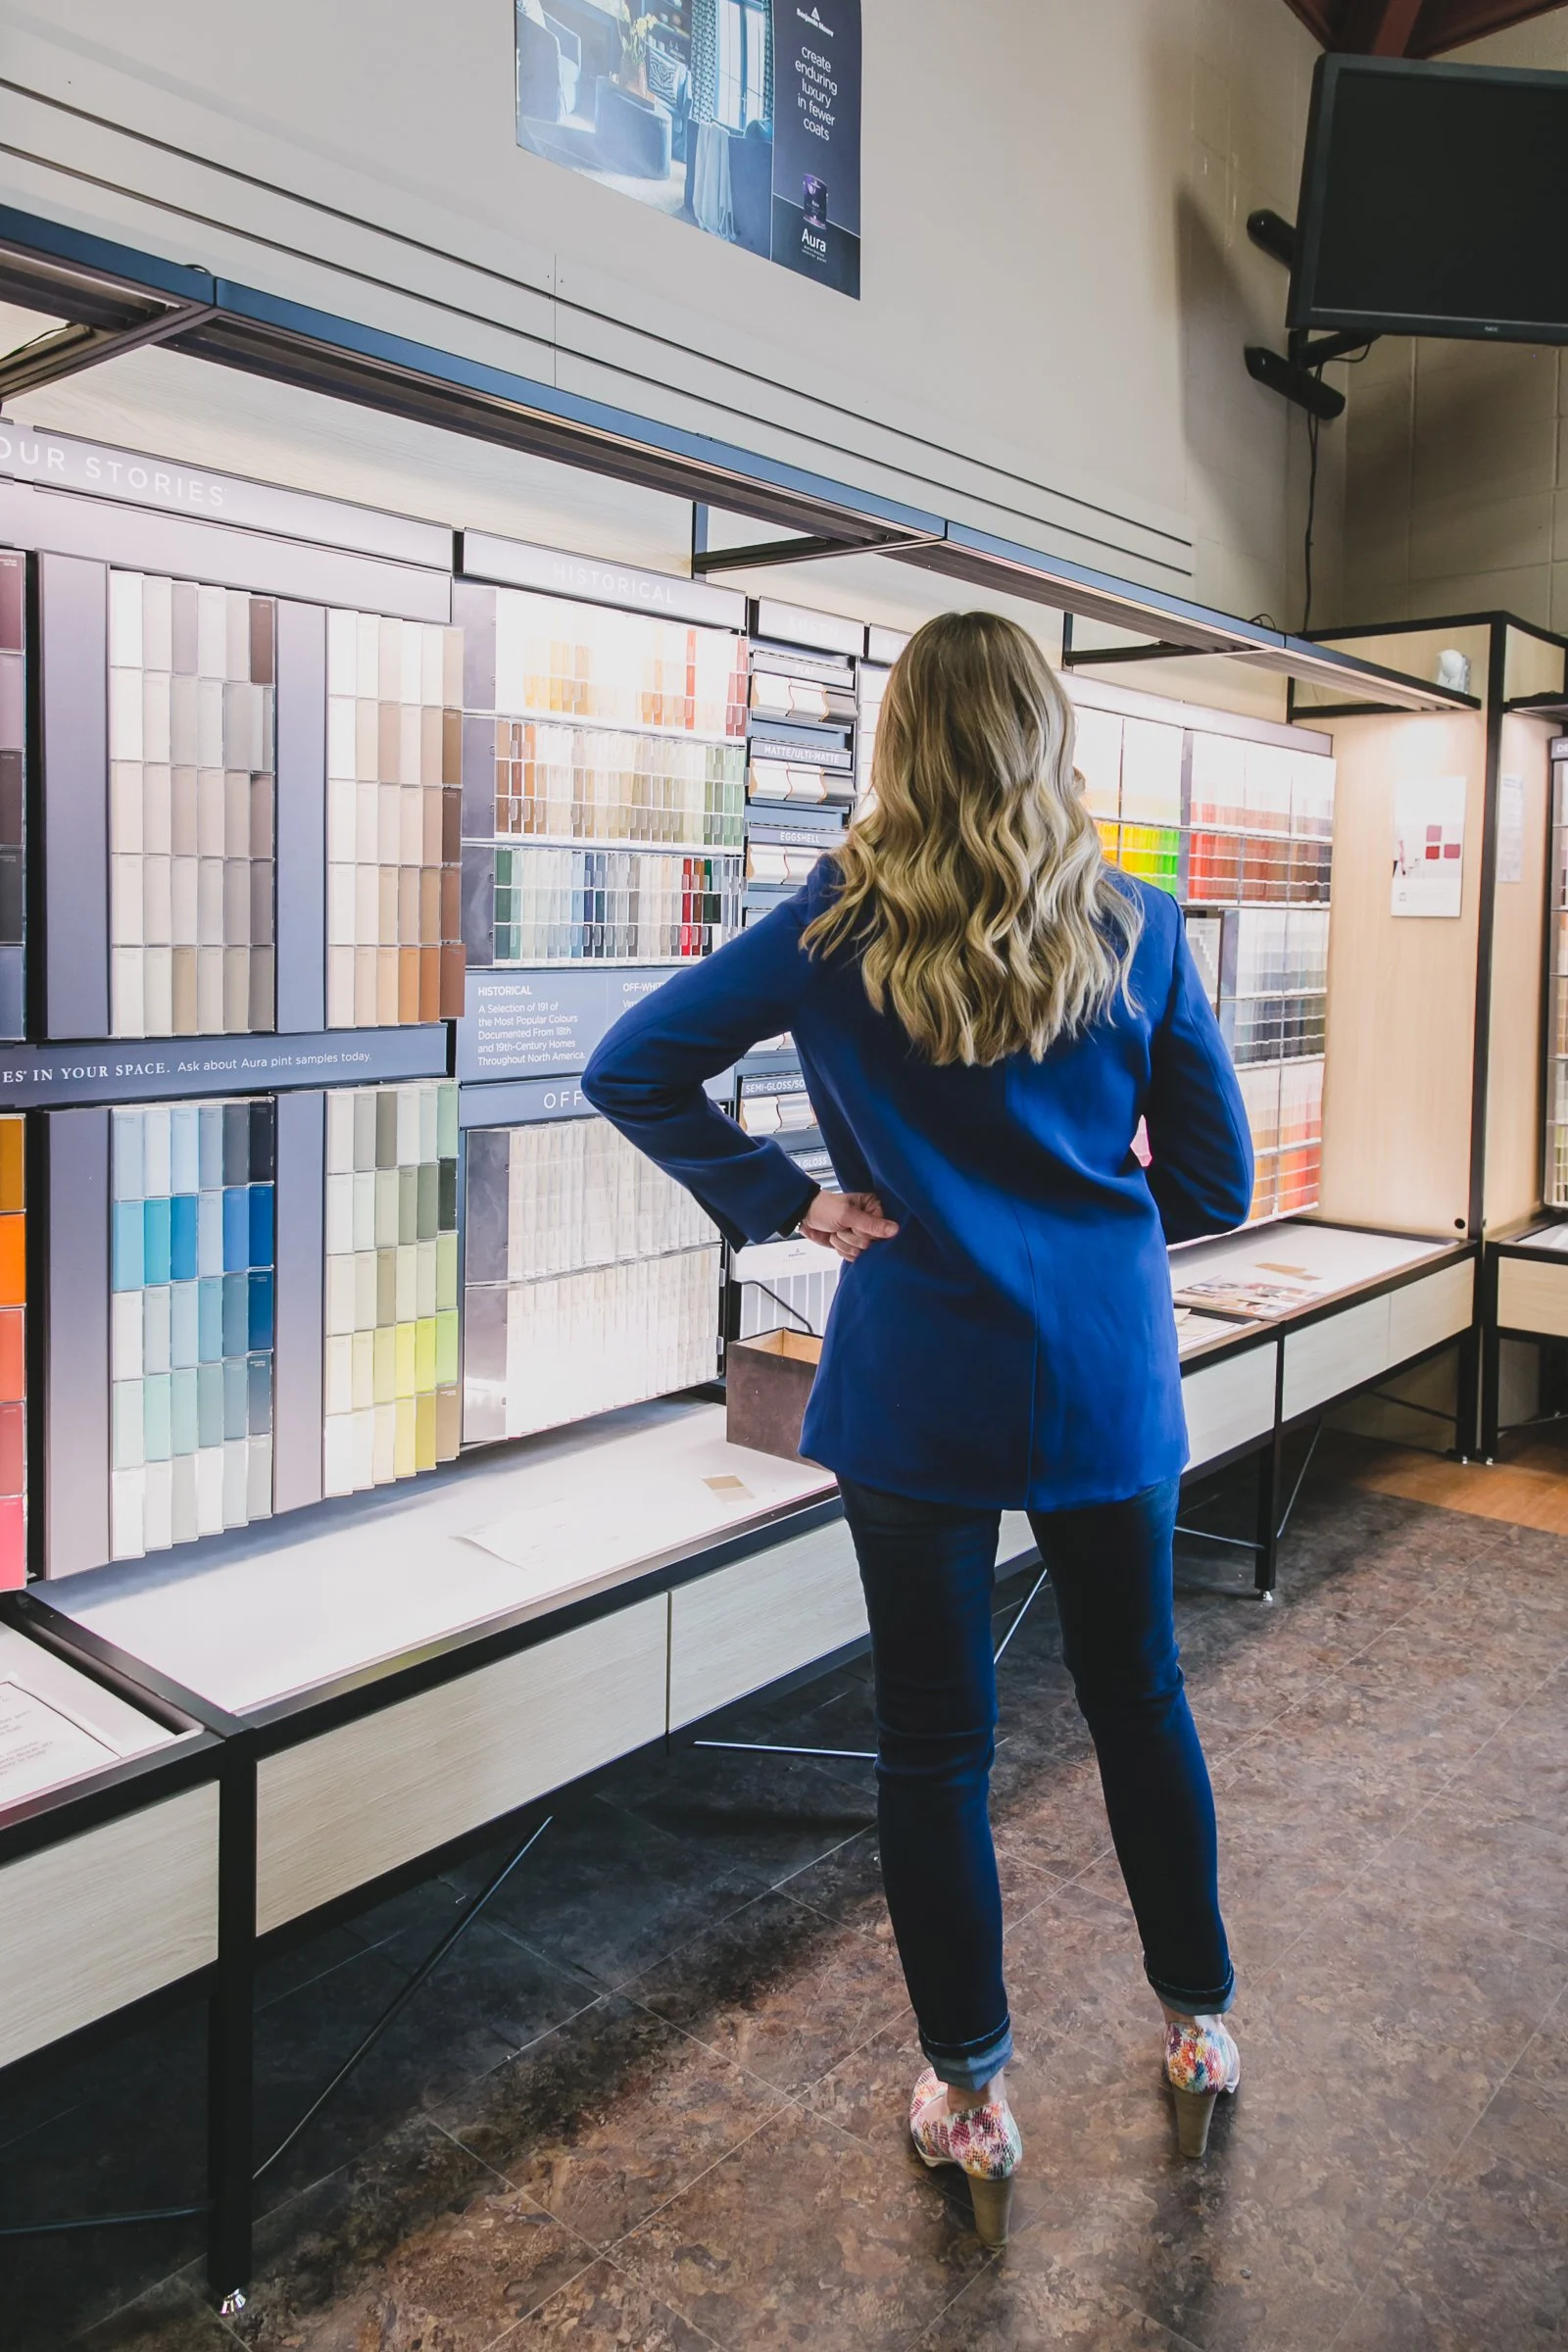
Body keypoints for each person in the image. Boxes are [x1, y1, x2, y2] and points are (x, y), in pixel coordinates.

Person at [582, 611, 1251, 2248]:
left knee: (936, 1747)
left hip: (920, 1384)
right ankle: (1199, 2022)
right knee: (1140, 1697)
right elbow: (1217, 1184)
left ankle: (969, 2093)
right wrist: (1088, 1229)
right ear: (1046, 737)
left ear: (901, 745)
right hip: (1104, 1373)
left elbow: (631, 1069)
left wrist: (796, 1203)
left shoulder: (833, 925)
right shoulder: (1138, 926)